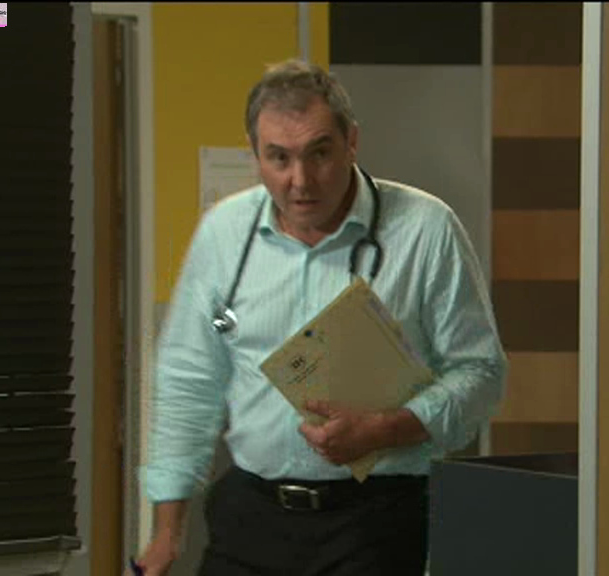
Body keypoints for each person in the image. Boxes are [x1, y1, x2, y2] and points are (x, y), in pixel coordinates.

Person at [132, 59, 508, 576]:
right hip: (251, 514)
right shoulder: (224, 233)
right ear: (255, 155)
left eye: (319, 153)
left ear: (352, 142)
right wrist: (165, 534)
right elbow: (188, 381)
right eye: (279, 158)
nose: (300, 181)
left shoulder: (425, 229)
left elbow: (481, 373)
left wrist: (385, 429)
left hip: (374, 518)